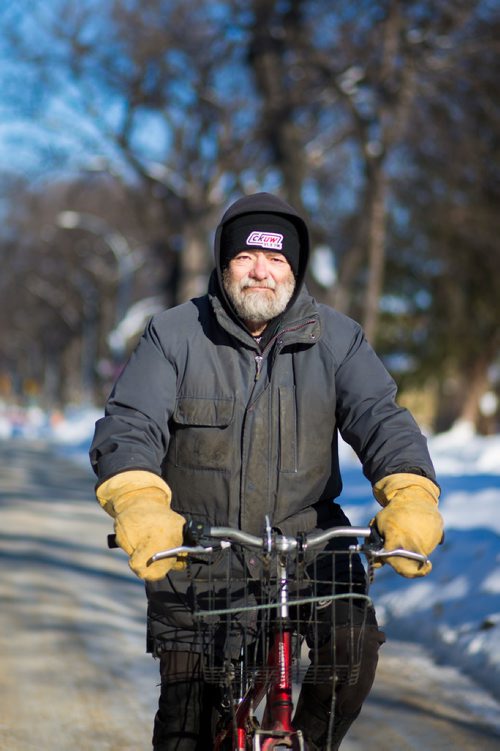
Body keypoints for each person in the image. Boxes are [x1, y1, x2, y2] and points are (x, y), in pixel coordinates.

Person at [90, 192, 444, 750]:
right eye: (247, 257)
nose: (262, 272)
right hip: (199, 552)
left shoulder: (338, 339)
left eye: (277, 259)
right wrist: (139, 499)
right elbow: (130, 425)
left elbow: (381, 419)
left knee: (352, 651)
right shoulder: (174, 336)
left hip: (310, 548)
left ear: (295, 270)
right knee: (189, 725)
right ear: (224, 262)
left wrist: (410, 492)